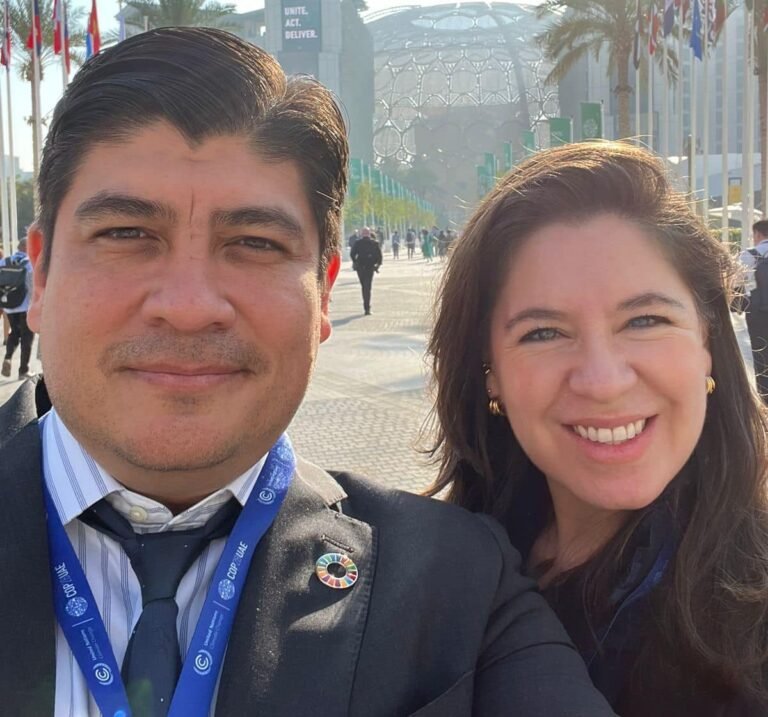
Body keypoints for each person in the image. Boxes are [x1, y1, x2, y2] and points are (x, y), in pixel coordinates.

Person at [0, 28, 615, 717]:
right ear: (41, 274)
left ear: (324, 291)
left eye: (254, 243)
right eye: (126, 234)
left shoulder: (458, 588)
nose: (189, 306)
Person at [427, 141, 768, 715]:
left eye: (645, 320)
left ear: (707, 341)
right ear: (490, 373)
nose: (603, 382)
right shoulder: (431, 573)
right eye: (543, 333)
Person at [738, 219, 768, 400]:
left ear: (757, 234)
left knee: (761, 355)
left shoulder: (750, 255)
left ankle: (765, 398)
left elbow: (737, 283)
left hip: (759, 313)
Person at [0, 237, 34, 380]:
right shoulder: (29, 263)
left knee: (14, 333)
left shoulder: (4, 262)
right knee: (27, 337)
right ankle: (23, 370)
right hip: (25, 306)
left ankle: (8, 357)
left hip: (9, 306)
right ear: (27, 248)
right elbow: (32, 286)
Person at [350, 226, 382, 315]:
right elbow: (379, 257)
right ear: (369, 233)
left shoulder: (358, 243)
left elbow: (352, 254)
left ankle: (366, 306)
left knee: (364, 286)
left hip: (360, 267)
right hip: (370, 267)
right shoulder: (374, 243)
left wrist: (355, 262)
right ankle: (367, 308)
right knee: (367, 287)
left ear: (362, 234)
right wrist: (377, 265)